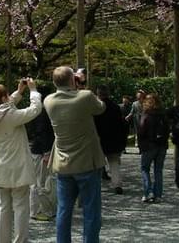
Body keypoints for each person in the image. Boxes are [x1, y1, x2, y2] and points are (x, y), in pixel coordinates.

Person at [44, 66, 105, 243]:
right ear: (73, 80)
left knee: (64, 210)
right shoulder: (85, 96)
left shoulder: (49, 101)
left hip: (63, 164)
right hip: (87, 162)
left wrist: (73, 81)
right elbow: (100, 107)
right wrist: (81, 84)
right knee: (91, 210)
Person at [0, 78, 42, 243]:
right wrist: (33, 91)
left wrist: (19, 92)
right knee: (21, 206)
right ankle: (20, 240)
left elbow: (3, 108)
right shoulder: (12, 116)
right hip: (17, 168)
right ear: (3, 98)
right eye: (6, 95)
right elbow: (35, 109)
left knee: (3, 205)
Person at [94, 85, 128, 194]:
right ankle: (117, 184)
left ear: (98, 94)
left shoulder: (96, 108)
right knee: (114, 163)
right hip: (113, 139)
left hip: (99, 140)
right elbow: (121, 124)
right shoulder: (115, 107)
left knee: (97, 165)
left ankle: (96, 185)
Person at [29, 84, 56, 221]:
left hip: (37, 149)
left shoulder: (35, 111)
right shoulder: (43, 113)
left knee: (37, 182)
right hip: (41, 151)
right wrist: (46, 151)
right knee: (41, 182)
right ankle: (41, 210)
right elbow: (42, 133)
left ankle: (36, 209)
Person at [137, 93, 169, 203]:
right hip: (162, 145)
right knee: (158, 170)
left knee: (145, 168)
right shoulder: (163, 114)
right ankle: (158, 195)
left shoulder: (146, 114)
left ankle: (148, 192)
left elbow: (141, 131)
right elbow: (167, 130)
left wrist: (141, 146)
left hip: (149, 145)